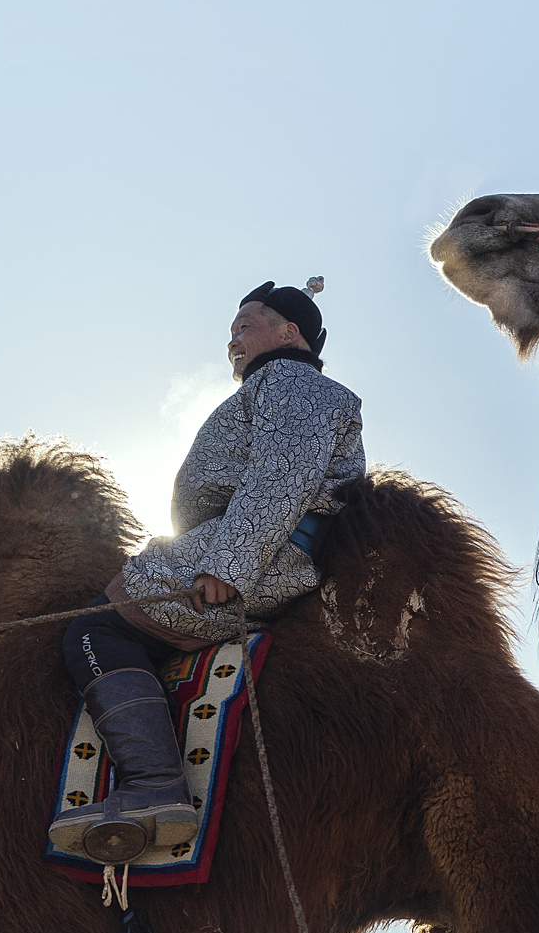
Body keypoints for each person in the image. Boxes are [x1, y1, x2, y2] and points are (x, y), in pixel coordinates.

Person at [52, 281, 366, 862]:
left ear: (289, 333)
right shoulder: (281, 388)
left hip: (254, 556)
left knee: (97, 628)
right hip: (232, 547)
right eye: (231, 333)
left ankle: (152, 786)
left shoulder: (296, 384)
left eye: (246, 326)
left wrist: (231, 565)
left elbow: (283, 473)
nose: (233, 341)